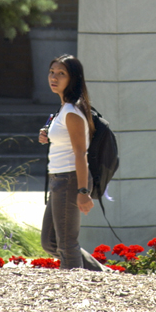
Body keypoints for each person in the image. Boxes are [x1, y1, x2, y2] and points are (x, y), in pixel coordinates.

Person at [39, 54, 105, 271]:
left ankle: (73, 294)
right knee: (50, 242)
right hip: (58, 179)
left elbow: (80, 153)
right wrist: (48, 135)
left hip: (69, 180)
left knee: (67, 244)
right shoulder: (64, 109)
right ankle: (102, 274)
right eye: (52, 72)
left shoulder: (73, 112)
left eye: (61, 74)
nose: (54, 77)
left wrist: (83, 191)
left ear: (73, 79)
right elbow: (66, 141)